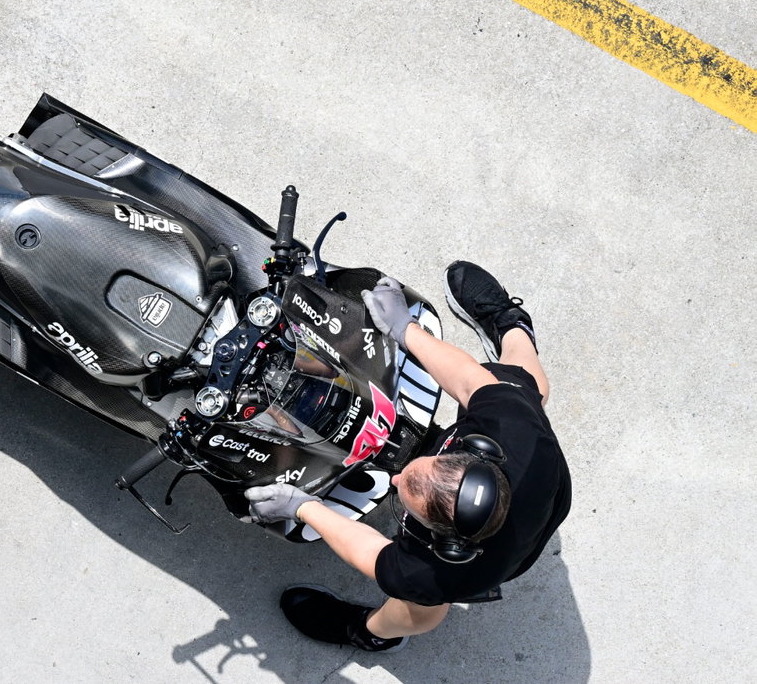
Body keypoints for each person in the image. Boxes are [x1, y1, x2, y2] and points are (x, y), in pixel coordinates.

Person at [245, 262, 571, 651]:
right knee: (522, 384)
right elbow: (469, 381)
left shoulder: (438, 570)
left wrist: (302, 508)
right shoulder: (514, 428)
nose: (395, 479)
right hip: (537, 468)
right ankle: (514, 326)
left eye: (401, 492)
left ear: (448, 544)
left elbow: (373, 554)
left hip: (512, 549)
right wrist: (404, 329)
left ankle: (368, 633)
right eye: (418, 468)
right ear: (476, 451)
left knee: (419, 606)